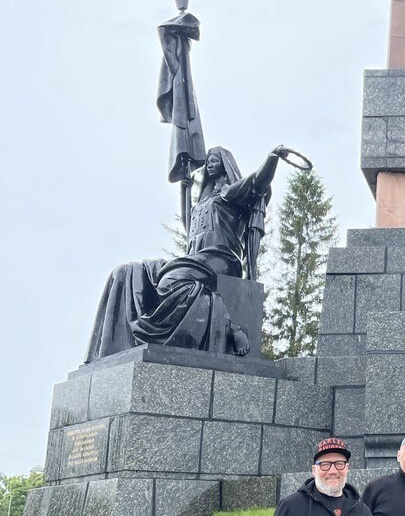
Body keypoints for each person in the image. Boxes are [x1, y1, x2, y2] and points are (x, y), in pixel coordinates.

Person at [85, 145, 289, 359]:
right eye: (208, 161)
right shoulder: (201, 204)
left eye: (215, 160)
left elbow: (257, 182)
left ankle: (230, 327)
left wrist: (272, 158)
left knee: (169, 282)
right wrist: (185, 189)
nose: (209, 164)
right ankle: (117, 350)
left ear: (225, 164)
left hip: (220, 260)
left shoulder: (230, 194)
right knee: (127, 272)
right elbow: (189, 224)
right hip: (194, 261)